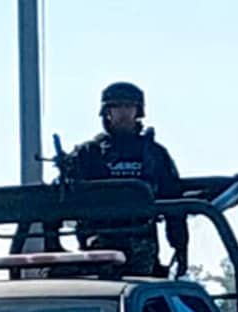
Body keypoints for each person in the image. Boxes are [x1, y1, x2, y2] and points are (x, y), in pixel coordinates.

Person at [67, 82, 189, 279]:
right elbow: (65, 202)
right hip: (98, 243)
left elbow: (174, 204)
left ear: (137, 111)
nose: (123, 112)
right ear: (107, 112)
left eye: (128, 106)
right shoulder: (88, 154)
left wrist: (180, 247)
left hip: (141, 241)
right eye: (117, 107)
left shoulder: (155, 154)